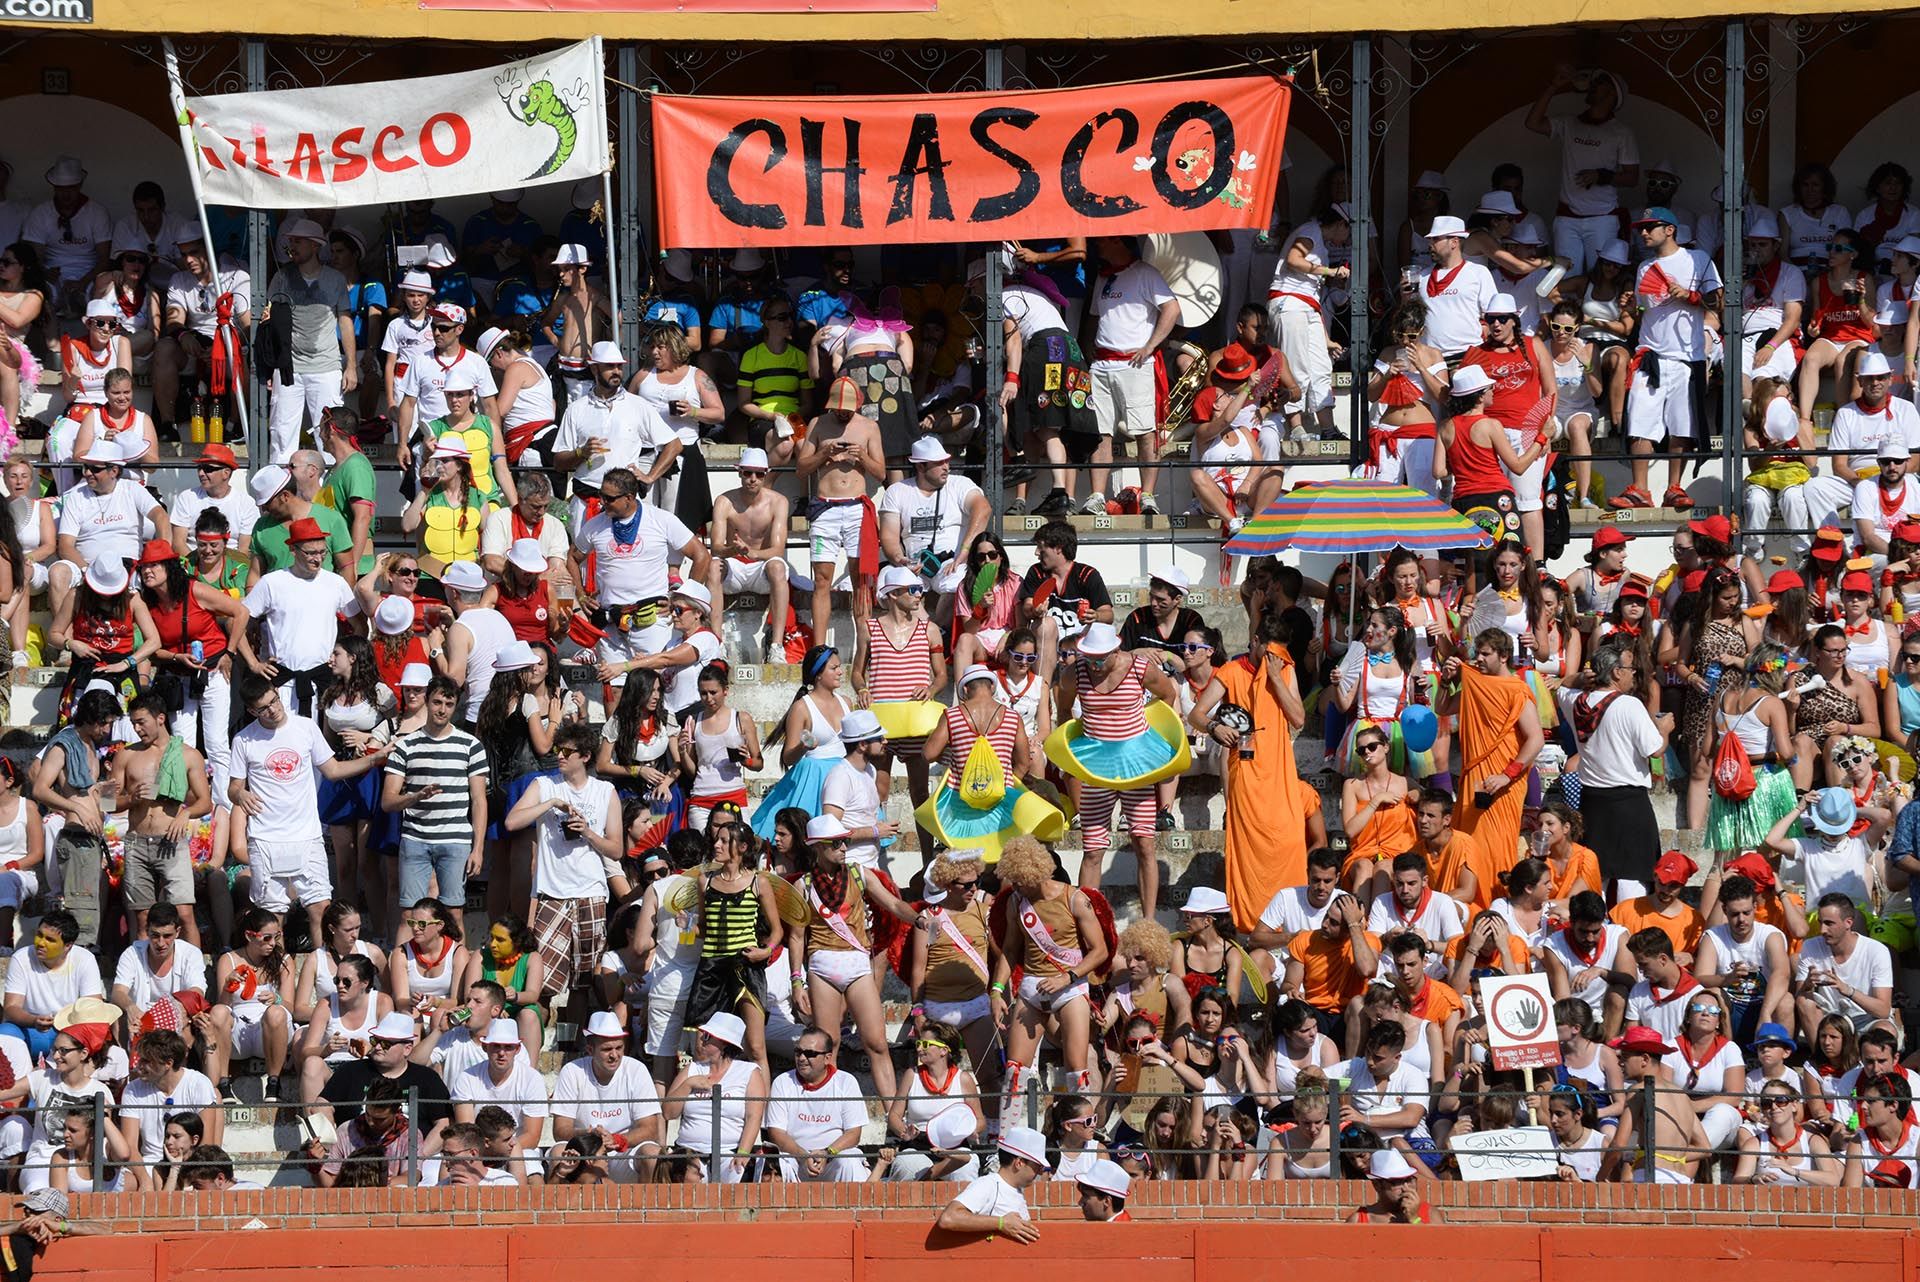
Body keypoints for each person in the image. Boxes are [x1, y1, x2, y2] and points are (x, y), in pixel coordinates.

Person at [228, 673, 391, 944]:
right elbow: (233, 788)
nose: (273, 709)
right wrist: (240, 794)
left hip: (307, 835)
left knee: (321, 909)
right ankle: (278, 967)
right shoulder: (244, 740)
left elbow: (333, 770)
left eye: (274, 700)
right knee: (271, 917)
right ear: (251, 711)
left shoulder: (305, 727)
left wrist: (375, 759)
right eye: (264, 708)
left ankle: (322, 965)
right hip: (266, 838)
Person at [1052, 621, 1182, 919]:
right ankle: (1087, 922)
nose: (1094, 665)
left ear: (1116, 650)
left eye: (1100, 659)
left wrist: (1149, 733)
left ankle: (1148, 922)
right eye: (1089, 658)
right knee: (1093, 849)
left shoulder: (1140, 668)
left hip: (1135, 766)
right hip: (1097, 767)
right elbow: (1064, 710)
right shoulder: (1075, 672)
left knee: (1144, 843)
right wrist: (1075, 744)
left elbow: (1167, 695)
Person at [1611, 206, 1721, 511]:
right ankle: (1639, 490)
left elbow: (1719, 302)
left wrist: (1692, 296)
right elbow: (1644, 311)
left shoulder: (1698, 259)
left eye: (1650, 227)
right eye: (1641, 228)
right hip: (1650, 353)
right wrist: (1630, 307)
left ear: (1670, 229)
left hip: (1687, 356)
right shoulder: (1644, 267)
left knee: (1681, 425)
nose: (1643, 233)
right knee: (1640, 421)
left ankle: (1674, 487)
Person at [506, 721, 622, 1009]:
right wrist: (551, 804)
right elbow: (512, 822)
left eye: (567, 752)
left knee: (583, 983)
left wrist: (588, 832)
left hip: (590, 892)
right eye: (558, 749)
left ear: (585, 756)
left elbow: (617, 849)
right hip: (552, 893)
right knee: (541, 984)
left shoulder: (605, 790)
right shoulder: (544, 785)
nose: (559, 755)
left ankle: (573, 1038)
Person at [382, 675, 489, 934]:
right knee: (410, 914)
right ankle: (404, 961)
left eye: (449, 704)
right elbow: (388, 801)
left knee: (453, 913)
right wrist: (415, 797)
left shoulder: (471, 746)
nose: (442, 710)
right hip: (415, 838)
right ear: (427, 701)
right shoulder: (405, 745)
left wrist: (478, 849)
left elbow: (479, 800)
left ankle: (457, 962)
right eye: (437, 702)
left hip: (455, 839)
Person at [105, 694, 211, 946]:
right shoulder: (125, 755)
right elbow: (106, 803)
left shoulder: (188, 755)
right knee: (142, 917)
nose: (137, 728)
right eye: (133, 723)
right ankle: (144, 969)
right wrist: (131, 798)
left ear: (160, 718)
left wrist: (185, 813)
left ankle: (193, 969)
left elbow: (205, 802)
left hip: (171, 840)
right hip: (137, 842)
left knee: (184, 913)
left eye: (141, 722)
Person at [28, 690, 121, 952]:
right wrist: (76, 808)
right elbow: (40, 789)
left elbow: (98, 801)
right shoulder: (63, 745)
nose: (107, 729)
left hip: (92, 839)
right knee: (80, 914)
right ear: (91, 718)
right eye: (104, 723)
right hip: (76, 838)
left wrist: (107, 791)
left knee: (91, 911)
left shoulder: (91, 746)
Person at [795, 375, 886, 645]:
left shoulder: (869, 427)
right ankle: (819, 647)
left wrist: (862, 456)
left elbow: (881, 473)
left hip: (857, 508)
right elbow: (802, 469)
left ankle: (864, 647)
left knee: (861, 579)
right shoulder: (818, 424)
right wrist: (824, 453)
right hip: (826, 509)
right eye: (838, 409)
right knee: (822, 579)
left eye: (847, 409)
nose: (843, 413)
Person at [243, 515, 361, 716]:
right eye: (311, 553)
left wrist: (347, 660)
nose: (318, 558)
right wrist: (253, 663)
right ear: (293, 550)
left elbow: (360, 625)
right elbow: (237, 622)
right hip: (283, 682)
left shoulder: (336, 583)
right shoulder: (272, 582)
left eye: (323, 552)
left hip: (325, 679)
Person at [1524, 65, 1638, 273]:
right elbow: (1532, 123)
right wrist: (1553, 87)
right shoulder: (1569, 123)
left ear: (1612, 93)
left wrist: (1602, 176)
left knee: (1600, 278)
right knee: (1565, 277)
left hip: (1603, 217)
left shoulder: (1621, 132)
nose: (1592, 86)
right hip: (1567, 216)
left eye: (1599, 83)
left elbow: (1632, 178)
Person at [262, 219, 354, 464]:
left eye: (298, 241)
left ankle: (332, 485)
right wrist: (270, 365)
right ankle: (280, 484)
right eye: (291, 241)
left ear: (315, 245)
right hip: (288, 366)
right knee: (282, 433)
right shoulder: (281, 277)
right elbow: (270, 322)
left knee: (331, 434)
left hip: (326, 365)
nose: (292, 246)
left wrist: (351, 366)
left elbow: (345, 321)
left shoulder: (335, 279)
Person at [550, 1011, 663, 1183]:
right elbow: (560, 1131)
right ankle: (557, 1202)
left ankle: (648, 1202)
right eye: (607, 1049)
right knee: (559, 1153)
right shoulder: (572, 1071)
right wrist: (588, 1135)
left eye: (619, 1048)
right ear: (590, 1050)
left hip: (624, 1151)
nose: (614, 1055)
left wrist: (618, 1140)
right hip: (585, 1151)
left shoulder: (636, 1069)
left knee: (652, 1154)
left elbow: (650, 1129)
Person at [663, 1012, 766, 1185]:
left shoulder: (748, 1072)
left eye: (707, 1036)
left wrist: (743, 1152)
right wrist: (688, 1085)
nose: (701, 1039)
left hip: (729, 1152)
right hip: (689, 1153)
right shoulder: (692, 1069)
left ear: (724, 1044)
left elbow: (753, 1117)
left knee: (736, 1184)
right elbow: (668, 1113)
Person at [1601, 1025, 1709, 1183]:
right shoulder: (1681, 1094)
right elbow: (1705, 1148)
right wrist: (1670, 1156)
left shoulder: (1639, 1090)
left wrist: (1600, 1176)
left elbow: (1618, 1144)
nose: (1620, 1063)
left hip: (1652, 1177)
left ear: (1645, 1059)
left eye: (1625, 1057)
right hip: (1681, 1180)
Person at [762, 1023, 870, 1183]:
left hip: (833, 1158)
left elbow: (854, 1134)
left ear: (827, 1058)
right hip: (796, 1159)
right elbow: (776, 1133)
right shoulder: (782, 1082)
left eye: (810, 1053)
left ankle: (857, 1201)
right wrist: (804, 1156)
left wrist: (827, 1153)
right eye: (798, 1052)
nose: (802, 1058)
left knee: (849, 1161)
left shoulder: (846, 1082)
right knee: (780, 1163)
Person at [885, 1017, 985, 1182]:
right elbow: (894, 1115)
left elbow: (980, 1119)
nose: (919, 1048)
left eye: (925, 1044)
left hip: (954, 1144)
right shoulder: (912, 1075)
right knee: (908, 1166)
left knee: (966, 1168)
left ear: (943, 1051)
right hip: (917, 1144)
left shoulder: (963, 1079)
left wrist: (972, 1130)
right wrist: (904, 1131)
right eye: (918, 1043)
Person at [1795, 893, 1894, 1036]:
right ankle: (1820, 1050)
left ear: (1848, 923)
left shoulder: (1876, 951)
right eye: (1820, 922)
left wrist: (1848, 991)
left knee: (1885, 1029)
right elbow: (1800, 997)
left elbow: (1883, 1010)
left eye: (1829, 923)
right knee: (1804, 1001)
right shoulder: (1811, 946)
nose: (1822, 930)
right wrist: (1807, 985)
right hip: (1830, 1019)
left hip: (1865, 1018)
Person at [933, 1126, 1050, 1242]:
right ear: (1019, 1163)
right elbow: (949, 1218)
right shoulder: (988, 1184)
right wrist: (1001, 1223)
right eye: (1037, 1166)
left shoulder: (1014, 1190)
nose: (1040, 1172)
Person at [1346, 1147, 1437, 1222]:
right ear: (1377, 1185)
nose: (1405, 1188)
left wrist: (1415, 1219)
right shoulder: (1359, 1220)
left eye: (1409, 1180)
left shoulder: (1429, 1213)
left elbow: (1437, 1240)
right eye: (1397, 1182)